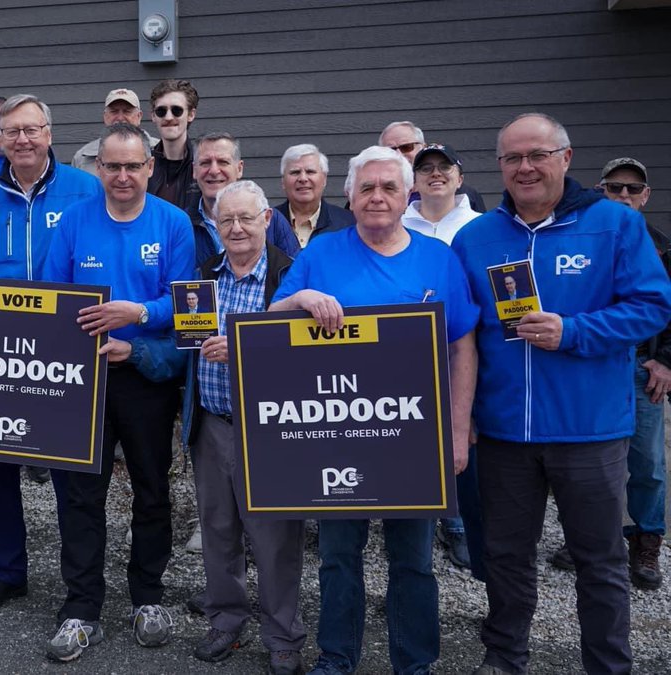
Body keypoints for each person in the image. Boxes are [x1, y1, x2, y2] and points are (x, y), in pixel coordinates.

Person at [451, 113, 671, 675]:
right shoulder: (476, 237)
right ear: (499, 166)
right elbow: (460, 332)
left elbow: (652, 306)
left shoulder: (615, 225)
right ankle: (504, 657)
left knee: (600, 562)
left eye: (537, 155)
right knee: (505, 559)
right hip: (503, 432)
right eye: (512, 158)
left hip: (589, 430)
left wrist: (572, 332)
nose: (525, 167)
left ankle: (607, 664)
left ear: (566, 158)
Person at [271, 145, 478, 674]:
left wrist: (457, 434)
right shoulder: (320, 253)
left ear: (407, 195)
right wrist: (299, 301)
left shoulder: (439, 258)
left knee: (412, 561)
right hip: (338, 436)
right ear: (349, 195)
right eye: (367, 188)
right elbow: (271, 319)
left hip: (414, 437)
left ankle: (414, 664)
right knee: (339, 559)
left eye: (389, 187)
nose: (378, 197)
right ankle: (337, 659)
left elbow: (462, 348)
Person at [41, 122, 195, 661]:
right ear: (98, 169)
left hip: (145, 377)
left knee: (152, 491)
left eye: (134, 166)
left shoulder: (174, 223)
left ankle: (147, 596)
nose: (124, 176)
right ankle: (82, 608)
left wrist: (141, 315)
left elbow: (187, 304)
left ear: (150, 167)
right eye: (113, 166)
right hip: (82, 380)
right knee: (81, 496)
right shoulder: (75, 221)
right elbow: (52, 292)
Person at [0, 93, 102, 614]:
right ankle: (9, 572)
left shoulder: (85, 189)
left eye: (32, 130)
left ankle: (77, 584)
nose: (23, 140)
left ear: (50, 134)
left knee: (68, 473)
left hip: (64, 348)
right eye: (13, 132)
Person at [180, 180, 302, 673]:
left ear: (267, 220)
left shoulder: (289, 277)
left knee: (274, 537)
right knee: (218, 529)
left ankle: (283, 637)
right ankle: (226, 621)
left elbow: (307, 354)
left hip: (269, 428)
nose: (235, 228)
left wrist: (245, 349)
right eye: (225, 219)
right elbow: (183, 345)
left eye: (246, 218)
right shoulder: (203, 277)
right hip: (211, 421)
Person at [577, 156, 669, 590]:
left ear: (646, 195)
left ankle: (647, 538)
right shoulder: (588, 242)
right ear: (601, 191)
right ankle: (597, 538)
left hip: (642, 367)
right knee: (594, 460)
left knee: (646, 461)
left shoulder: (662, 247)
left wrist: (666, 360)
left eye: (633, 189)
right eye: (616, 188)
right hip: (596, 364)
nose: (625, 195)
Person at [400, 143, 484, 573]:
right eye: (425, 169)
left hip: (463, 349)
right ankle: (419, 521)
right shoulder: (397, 224)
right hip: (407, 361)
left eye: (444, 167)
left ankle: (459, 527)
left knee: (461, 438)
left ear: (459, 176)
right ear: (413, 181)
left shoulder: (480, 228)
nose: (435, 174)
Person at [189, 133, 299, 266]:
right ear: (194, 170)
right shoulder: (182, 224)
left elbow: (295, 274)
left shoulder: (272, 221)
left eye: (223, 162)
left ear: (239, 168)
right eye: (205, 163)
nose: (213, 170)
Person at [379, 121, 485, 212]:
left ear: (423, 147)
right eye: (390, 150)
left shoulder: (466, 195)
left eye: (406, 147)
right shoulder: (378, 196)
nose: (399, 154)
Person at [274, 143, 355, 249]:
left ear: (324, 179)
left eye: (310, 172)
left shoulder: (348, 224)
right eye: (295, 172)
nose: (303, 178)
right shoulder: (266, 223)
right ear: (283, 182)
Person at [72, 88, 159, 177]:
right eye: (114, 111)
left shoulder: (160, 151)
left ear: (139, 116)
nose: (120, 118)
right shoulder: (83, 157)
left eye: (127, 111)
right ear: (105, 116)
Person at [147, 79, 199, 211]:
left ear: (191, 115)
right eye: (161, 111)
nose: (168, 117)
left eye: (177, 110)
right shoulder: (143, 165)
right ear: (153, 116)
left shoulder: (203, 166)